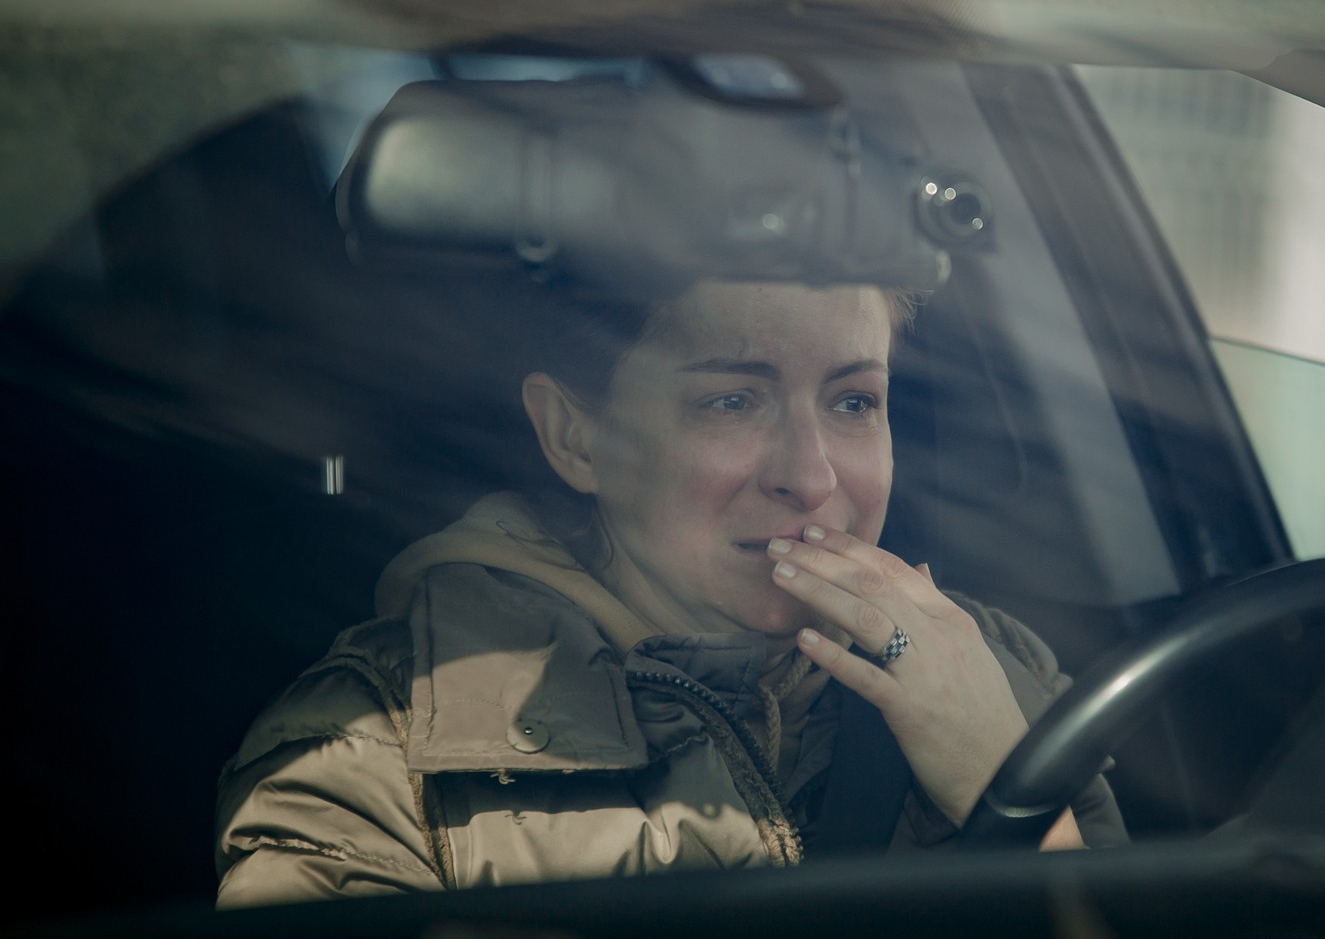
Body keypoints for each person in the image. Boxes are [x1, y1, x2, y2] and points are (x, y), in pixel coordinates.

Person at [214, 280, 1125, 907]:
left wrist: (1011, 801)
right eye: (733, 401)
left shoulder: (999, 675)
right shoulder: (373, 751)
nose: (811, 480)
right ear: (576, 438)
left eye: (854, 402)